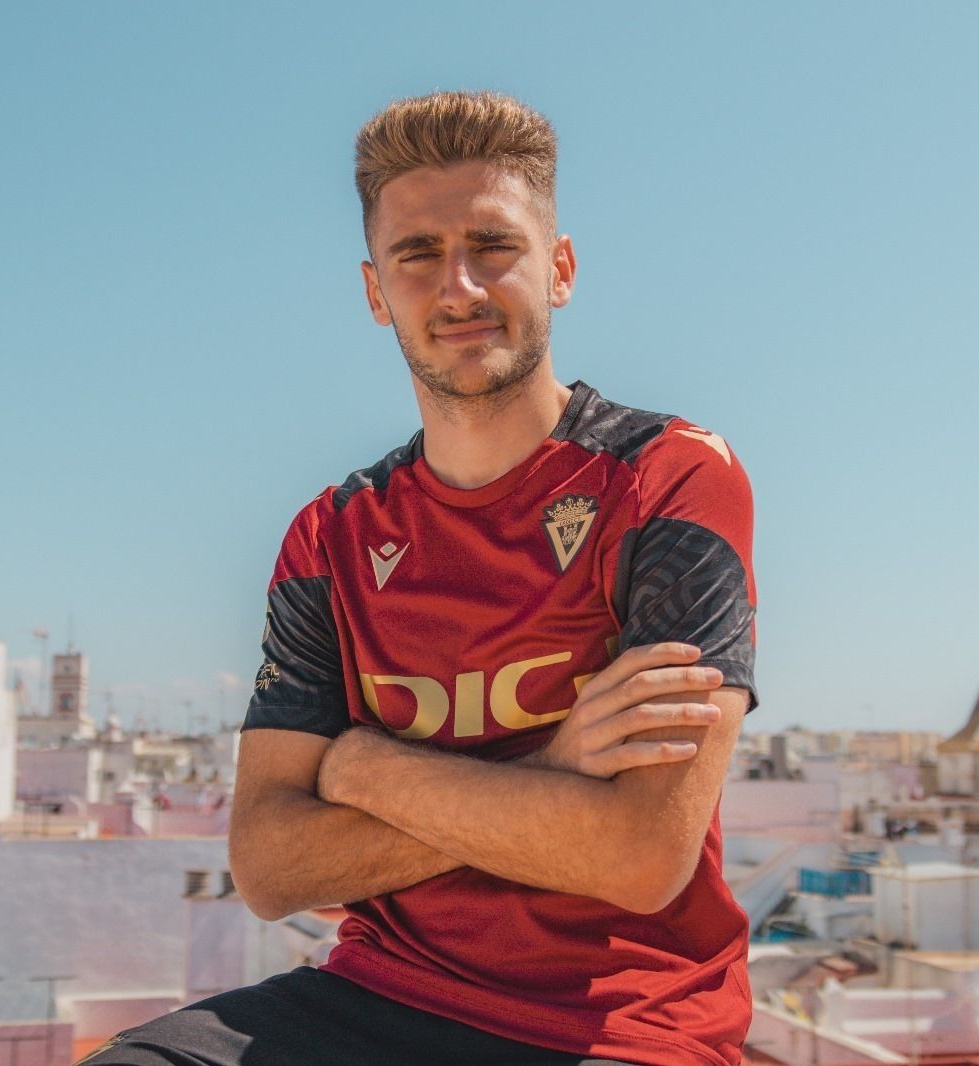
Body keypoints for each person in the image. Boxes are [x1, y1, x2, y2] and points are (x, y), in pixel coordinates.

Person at [82, 90, 759, 1066]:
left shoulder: (668, 478)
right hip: (374, 994)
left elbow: (639, 853)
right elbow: (269, 864)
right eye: (418, 254)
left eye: (493, 245)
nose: (459, 287)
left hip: (624, 1025)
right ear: (375, 291)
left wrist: (367, 771)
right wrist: (553, 777)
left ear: (559, 268)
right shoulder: (330, 537)